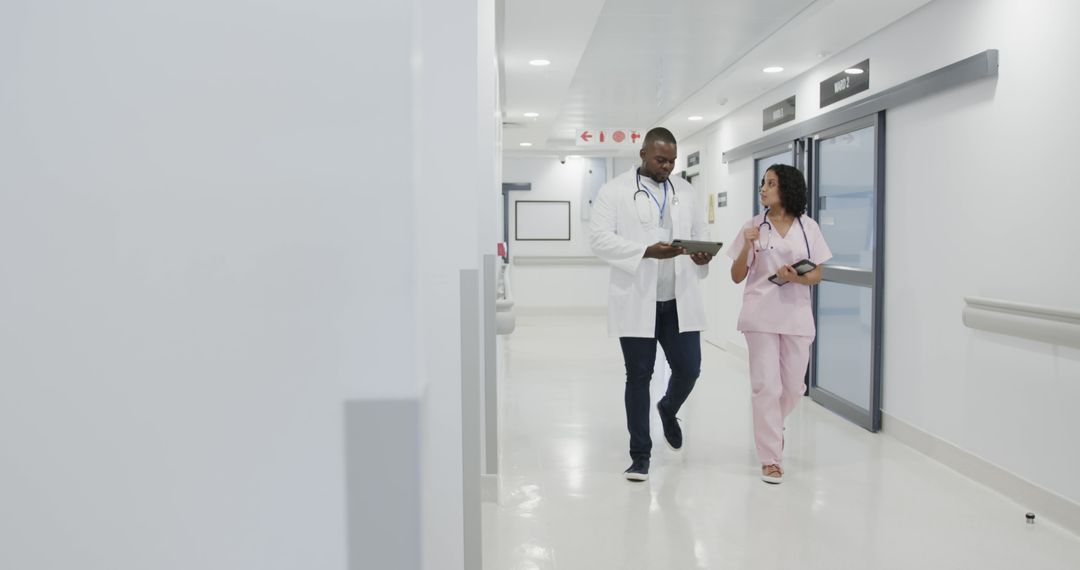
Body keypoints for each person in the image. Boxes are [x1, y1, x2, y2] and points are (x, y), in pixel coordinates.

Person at [589, 127, 714, 482]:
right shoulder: (614, 191)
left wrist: (702, 256)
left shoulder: (686, 191)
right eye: (661, 159)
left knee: (689, 369)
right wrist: (645, 251)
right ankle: (640, 455)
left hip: (678, 300)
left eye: (672, 160)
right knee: (638, 376)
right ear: (643, 153)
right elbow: (599, 239)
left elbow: (701, 235)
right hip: (637, 301)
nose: (668, 166)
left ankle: (668, 407)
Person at [727, 164, 832, 484]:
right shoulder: (753, 226)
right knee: (766, 388)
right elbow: (735, 276)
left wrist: (794, 276)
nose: (763, 188)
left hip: (797, 317)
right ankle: (771, 458)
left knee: (793, 388)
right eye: (763, 183)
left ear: (787, 188)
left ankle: (771, 424)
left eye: (771, 183)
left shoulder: (808, 227)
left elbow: (816, 275)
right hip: (759, 315)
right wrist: (747, 244)